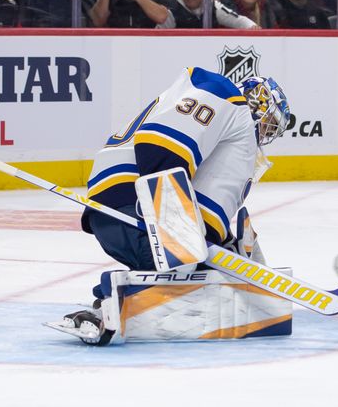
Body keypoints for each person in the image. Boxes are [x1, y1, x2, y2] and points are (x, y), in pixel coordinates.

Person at [77, 69, 290, 333]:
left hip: (126, 214)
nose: (267, 132)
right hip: (134, 211)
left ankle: (114, 300)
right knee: (203, 280)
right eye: (270, 121)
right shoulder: (225, 97)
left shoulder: (223, 122)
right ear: (258, 103)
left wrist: (219, 246)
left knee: (208, 280)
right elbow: (159, 147)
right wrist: (178, 233)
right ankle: (112, 304)